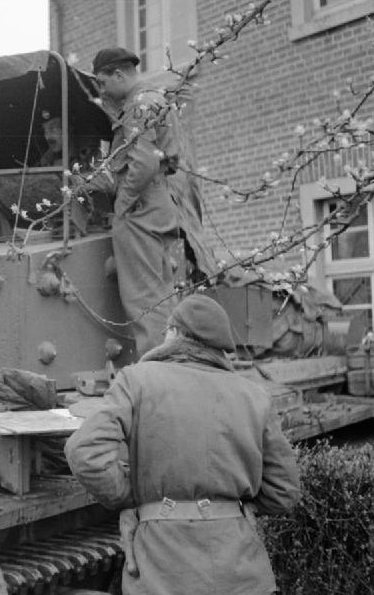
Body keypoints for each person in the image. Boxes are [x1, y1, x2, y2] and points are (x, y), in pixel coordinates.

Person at [65, 294, 301, 595]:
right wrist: (236, 508)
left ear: (175, 333)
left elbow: (85, 452)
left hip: (164, 570)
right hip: (241, 573)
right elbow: (285, 490)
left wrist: (130, 498)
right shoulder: (254, 395)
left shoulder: (136, 380)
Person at [83, 47, 181, 354]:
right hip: (155, 203)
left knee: (143, 300)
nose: (101, 90)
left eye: (102, 82)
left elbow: (144, 163)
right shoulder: (155, 99)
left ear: (119, 75)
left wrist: (122, 207)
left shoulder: (138, 105)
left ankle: (155, 373)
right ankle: (171, 366)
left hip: (140, 208)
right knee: (161, 296)